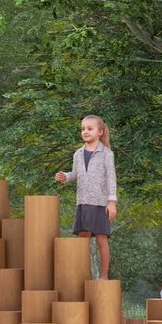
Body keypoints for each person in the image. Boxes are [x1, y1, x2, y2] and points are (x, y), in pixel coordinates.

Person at [53, 114, 118, 281]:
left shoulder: (107, 154)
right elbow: (75, 174)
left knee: (102, 239)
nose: (85, 132)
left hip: (100, 203)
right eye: (83, 129)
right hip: (82, 202)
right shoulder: (78, 154)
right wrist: (66, 177)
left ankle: (104, 276)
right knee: (83, 240)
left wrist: (111, 202)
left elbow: (111, 178)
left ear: (100, 132)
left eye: (90, 128)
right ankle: (82, 276)